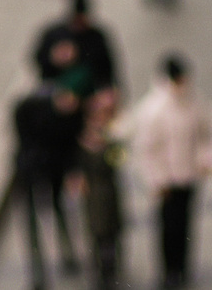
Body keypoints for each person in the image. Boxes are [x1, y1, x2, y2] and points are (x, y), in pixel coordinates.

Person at [127, 53, 212, 290]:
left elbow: (204, 135)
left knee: (186, 224)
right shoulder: (153, 109)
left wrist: (207, 160)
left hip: (189, 175)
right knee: (168, 228)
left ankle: (183, 268)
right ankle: (168, 271)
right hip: (166, 180)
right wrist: (156, 181)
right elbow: (146, 150)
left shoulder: (194, 101)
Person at [12, 77, 82, 288]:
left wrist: (71, 171)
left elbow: (70, 147)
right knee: (33, 221)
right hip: (33, 167)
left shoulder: (69, 116)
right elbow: (23, 139)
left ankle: (66, 255)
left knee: (59, 210)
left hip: (52, 168)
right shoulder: (30, 107)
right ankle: (38, 269)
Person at [76, 88, 128, 290]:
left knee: (111, 233)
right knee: (96, 233)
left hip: (109, 192)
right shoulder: (83, 141)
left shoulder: (112, 139)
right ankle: (99, 272)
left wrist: (110, 137)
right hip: (93, 195)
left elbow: (120, 159)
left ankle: (111, 270)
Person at [34, 0, 120, 100]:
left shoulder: (96, 36)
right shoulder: (54, 34)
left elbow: (106, 67)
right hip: (55, 85)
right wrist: (55, 59)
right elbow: (39, 60)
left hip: (89, 89)